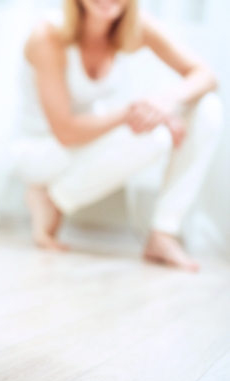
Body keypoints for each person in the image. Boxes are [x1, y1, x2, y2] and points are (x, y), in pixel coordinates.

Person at [15, 0, 223, 271]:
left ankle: (163, 231)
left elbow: (206, 75)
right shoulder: (47, 36)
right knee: (154, 136)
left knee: (207, 108)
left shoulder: (134, 26)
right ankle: (52, 198)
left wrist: (165, 101)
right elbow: (65, 131)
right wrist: (134, 112)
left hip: (88, 142)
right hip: (41, 148)